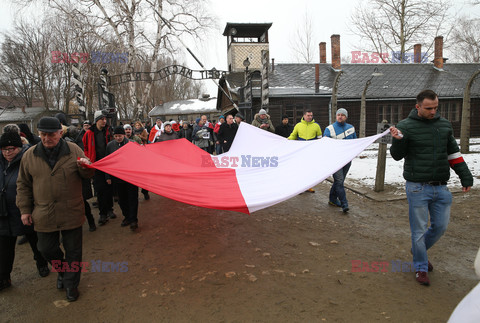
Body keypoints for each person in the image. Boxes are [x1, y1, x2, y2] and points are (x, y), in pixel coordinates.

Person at [390, 89, 473, 286]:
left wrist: (465, 176)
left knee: (440, 227)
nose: (433, 111)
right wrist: (399, 139)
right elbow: (397, 155)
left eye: (436, 107)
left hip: (441, 187)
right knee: (418, 231)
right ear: (417, 106)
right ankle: (420, 266)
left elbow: (453, 153)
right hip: (417, 187)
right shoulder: (405, 126)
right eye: (428, 108)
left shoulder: (444, 126)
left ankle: (418, 250)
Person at [17, 117, 94, 302]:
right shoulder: (30, 155)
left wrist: (86, 167)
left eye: (51, 134)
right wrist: (25, 210)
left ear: (60, 133)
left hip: (72, 209)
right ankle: (62, 271)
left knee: (74, 251)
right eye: (42, 134)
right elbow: (23, 185)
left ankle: (71, 285)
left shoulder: (73, 150)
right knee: (46, 248)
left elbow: (87, 174)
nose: (46, 138)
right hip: (44, 212)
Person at [0, 132, 50, 292]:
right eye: (4, 149)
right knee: (4, 248)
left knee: (35, 242)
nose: (8, 152)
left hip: (27, 210)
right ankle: (4, 277)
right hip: (3, 213)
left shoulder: (29, 160)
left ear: (19, 148)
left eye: (11, 148)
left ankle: (41, 264)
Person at [83, 110, 116, 225]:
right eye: (102, 119)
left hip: (108, 164)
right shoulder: (89, 133)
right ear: (97, 120)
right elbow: (85, 148)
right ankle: (103, 213)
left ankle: (110, 209)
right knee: (100, 189)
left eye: (105, 119)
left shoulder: (108, 131)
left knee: (109, 187)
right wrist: (89, 160)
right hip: (96, 165)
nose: (104, 121)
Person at [106, 127, 139, 231]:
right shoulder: (110, 145)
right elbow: (107, 161)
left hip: (131, 176)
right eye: (115, 136)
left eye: (120, 136)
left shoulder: (132, 143)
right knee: (122, 199)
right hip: (118, 177)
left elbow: (139, 158)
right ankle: (127, 217)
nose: (118, 138)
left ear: (124, 135)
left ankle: (133, 220)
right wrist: (107, 176)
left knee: (133, 198)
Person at [324, 108, 357, 213]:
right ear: (336, 116)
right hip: (335, 160)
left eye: (343, 115)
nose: (340, 116)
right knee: (339, 181)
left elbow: (355, 142)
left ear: (346, 117)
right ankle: (344, 203)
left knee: (340, 181)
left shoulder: (351, 128)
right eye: (338, 115)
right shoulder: (329, 129)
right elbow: (325, 145)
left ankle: (332, 199)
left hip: (347, 160)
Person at [288, 110, 322, 193]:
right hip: (301, 151)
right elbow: (293, 135)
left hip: (311, 151)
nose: (310, 117)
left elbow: (320, 138)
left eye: (311, 115)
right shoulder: (298, 125)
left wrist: (319, 148)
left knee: (310, 169)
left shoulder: (316, 126)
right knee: (300, 169)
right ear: (304, 115)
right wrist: (287, 141)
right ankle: (299, 187)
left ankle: (308, 186)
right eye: (308, 115)